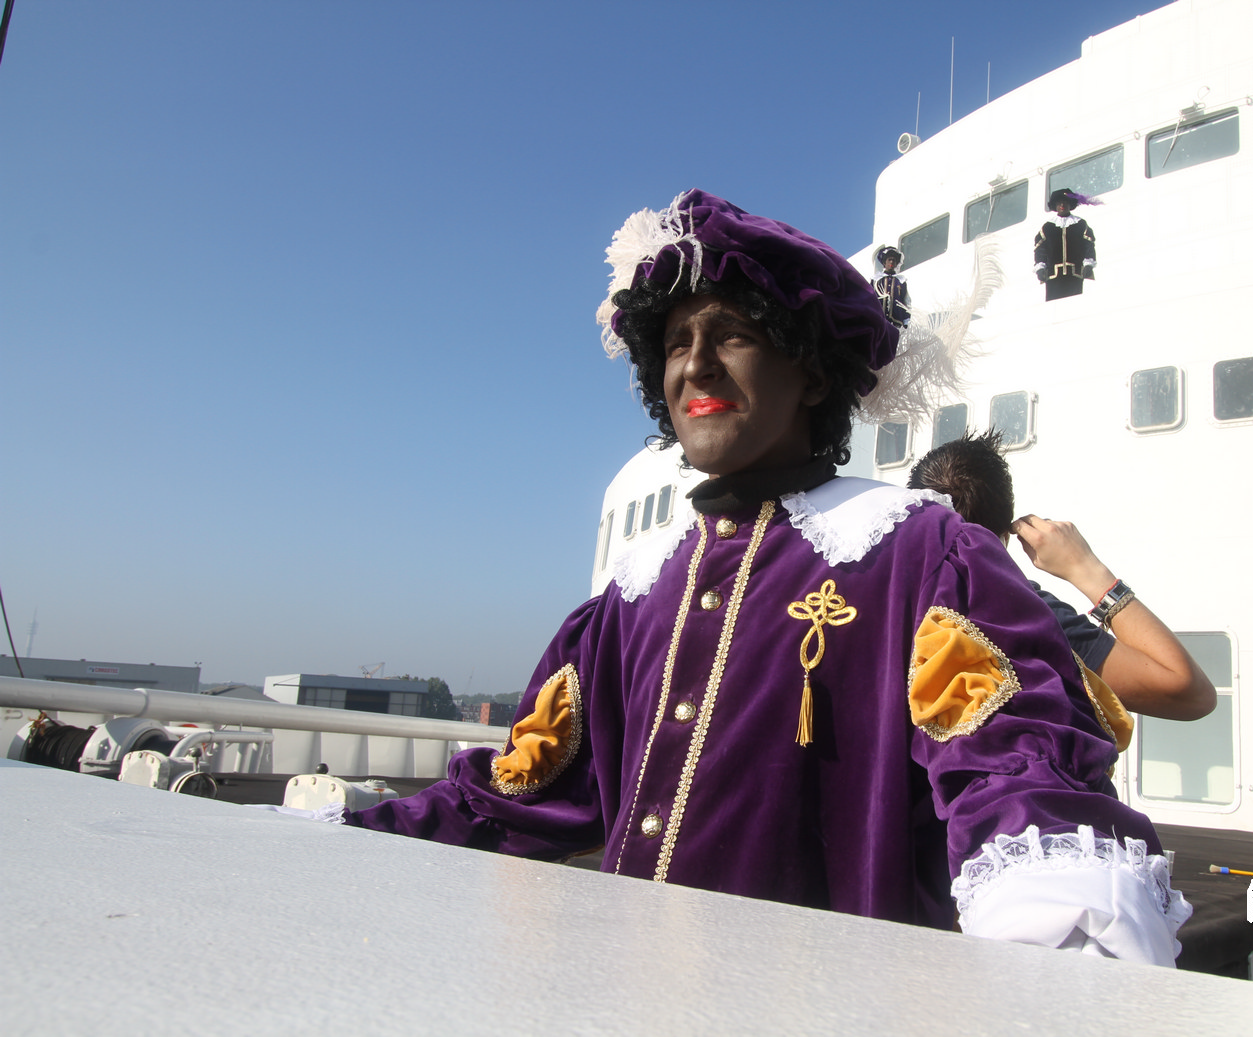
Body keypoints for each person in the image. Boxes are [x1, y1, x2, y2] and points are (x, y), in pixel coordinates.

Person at [345, 189, 1188, 964]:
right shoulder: (632, 593)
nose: (696, 365)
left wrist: (1062, 927)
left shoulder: (919, 554)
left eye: (732, 335)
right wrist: (340, 830)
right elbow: (522, 795)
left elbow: (1017, 772)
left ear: (812, 372)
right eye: (676, 343)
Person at [907, 431, 1216, 723]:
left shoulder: (886, 596)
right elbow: (1190, 694)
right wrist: (1086, 569)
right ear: (1007, 530)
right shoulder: (1025, 613)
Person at [1033, 187, 1096, 300]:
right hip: (1053, 277)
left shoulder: (1080, 224)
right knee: (1054, 305)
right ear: (1055, 205)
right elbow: (1040, 249)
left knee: (1074, 303)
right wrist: (1040, 267)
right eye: (1059, 203)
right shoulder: (1048, 227)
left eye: (1065, 202)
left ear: (1070, 204)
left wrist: (1088, 264)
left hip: (1074, 275)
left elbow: (1089, 245)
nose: (1062, 205)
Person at [873, 244, 911, 327]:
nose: (891, 262)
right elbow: (870, 298)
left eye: (894, 260)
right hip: (878, 319)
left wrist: (906, 320)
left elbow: (906, 300)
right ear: (884, 262)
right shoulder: (876, 280)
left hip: (896, 321)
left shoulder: (901, 281)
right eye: (889, 260)